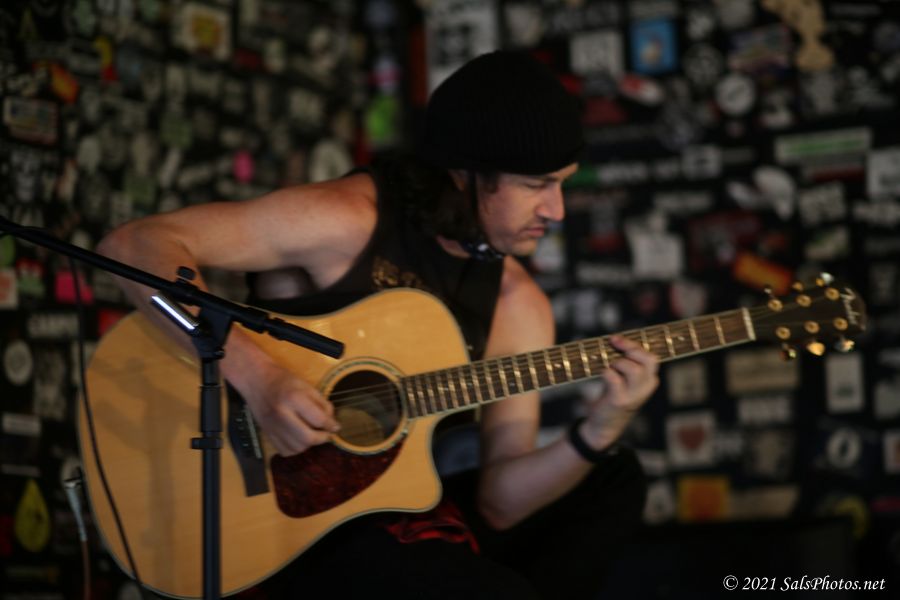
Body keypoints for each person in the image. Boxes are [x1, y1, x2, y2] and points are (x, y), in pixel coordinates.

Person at [98, 50, 659, 599]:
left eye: (562, 184)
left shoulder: (517, 303)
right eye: (537, 185)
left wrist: (598, 429)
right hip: (276, 505)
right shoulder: (346, 220)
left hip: (388, 509)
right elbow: (134, 245)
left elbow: (500, 505)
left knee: (613, 478)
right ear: (466, 175)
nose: (558, 211)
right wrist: (260, 378)